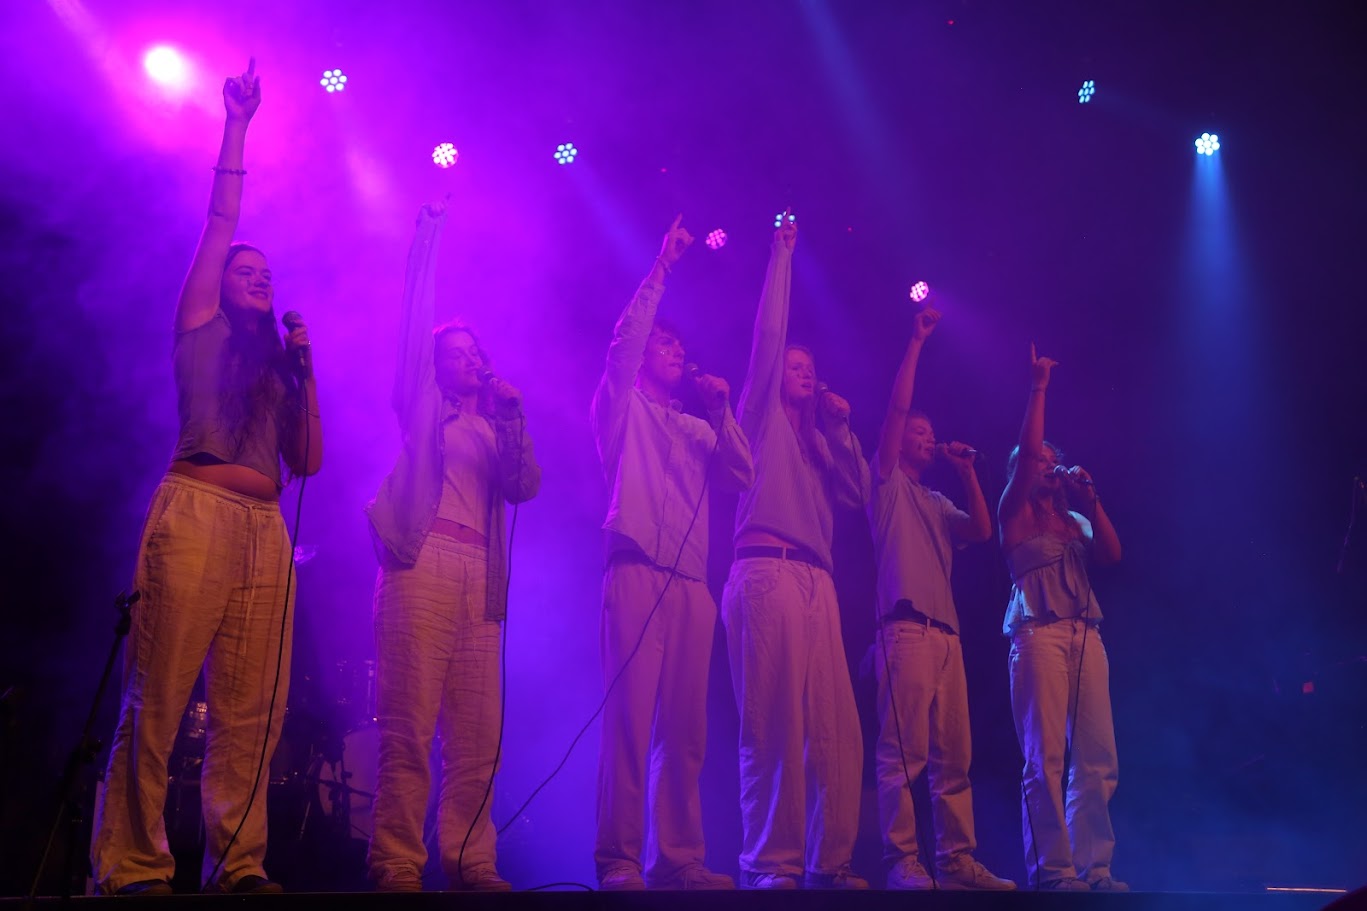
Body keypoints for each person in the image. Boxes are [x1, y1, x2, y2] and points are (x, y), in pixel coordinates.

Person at [91, 58, 323, 896]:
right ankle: (131, 862)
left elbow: (311, 462)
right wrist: (237, 125)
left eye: (267, 273)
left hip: (267, 529)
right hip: (196, 507)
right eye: (245, 270)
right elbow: (222, 216)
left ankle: (239, 860)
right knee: (158, 693)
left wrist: (307, 369)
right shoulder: (200, 324)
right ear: (219, 283)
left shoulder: (278, 367)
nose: (258, 276)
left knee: (253, 705)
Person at [364, 199, 541, 893]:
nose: (470, 360)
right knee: (408, 724)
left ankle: (470, 859)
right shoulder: (421, 404)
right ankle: (396, 860)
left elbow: (525, 486)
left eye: (476, 352)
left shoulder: (495, 428)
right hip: (422, 563)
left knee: (476, 735)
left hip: (480, 577)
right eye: (457, 353)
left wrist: (514, 416)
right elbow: (415, 325)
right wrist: (429, 236)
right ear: (436, 366)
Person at [591, 215, 754, 891]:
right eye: (665, 343)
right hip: (634, 568)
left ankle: (678, 857)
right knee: (630, 721)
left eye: (680, 345)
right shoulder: (619, 406)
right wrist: (661, 268)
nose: (675, 351)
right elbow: (623, 344)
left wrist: (721, 411)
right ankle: (619, 859)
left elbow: (742, 474)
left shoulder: (695, 427)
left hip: (689, 582)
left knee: (684, 730)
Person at [721, 214, 871, 891]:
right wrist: (782, 256)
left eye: (811, 369)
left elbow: (859, 493)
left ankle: (827, 860)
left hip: (817, 581)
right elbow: (767, 339)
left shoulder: (819, 442)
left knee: (835, 728)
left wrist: (840, 430)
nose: (804, 373)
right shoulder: (758, 418)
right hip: (766, 571)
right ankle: (770, 863)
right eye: (795, 366)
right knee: (772, 721)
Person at [866, 306, 1014, 891]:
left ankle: (955, 860)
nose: (926, 438)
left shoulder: (933, 500)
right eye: (918, 433)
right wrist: (917, 341)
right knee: (902, 755)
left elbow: (980, 530)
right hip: (904, 630)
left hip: (946, 636)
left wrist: (967, 472)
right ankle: (902, 859)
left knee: (954, 758)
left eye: (931, 434)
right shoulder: (886, 482)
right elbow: (896, 409)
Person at [997, 344, 1125, 892]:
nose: (1048, 467)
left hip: (1085, 634)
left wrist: (1090, 497)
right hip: (1038, 634)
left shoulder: (1075, 518)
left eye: (1054, 462)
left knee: (1096, 754)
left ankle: (1094, 867)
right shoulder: (1014, 512)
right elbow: (1028, 454)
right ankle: (1053, 871)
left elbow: (1113, 554)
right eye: (1041, 463)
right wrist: (1039, 387)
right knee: (1045, 756)